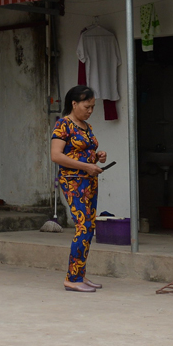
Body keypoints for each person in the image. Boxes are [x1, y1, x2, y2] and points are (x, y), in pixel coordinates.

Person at [50, 85, 107, 292]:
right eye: (86, 106)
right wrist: (86, 166)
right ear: (74, 104)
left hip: (89, 180)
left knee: (89, 228)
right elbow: (56, 155)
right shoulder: (63, 125)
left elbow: (85, 151)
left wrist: (99, 156)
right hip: (73, 181)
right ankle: (72, 278)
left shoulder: (86, 126)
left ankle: (80, 273)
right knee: (83, 227)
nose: (90, 111)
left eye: (92, 107)